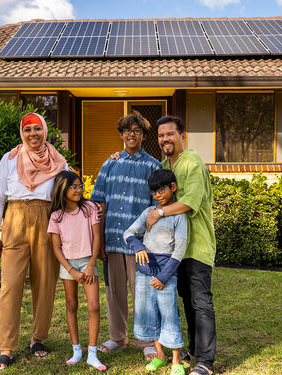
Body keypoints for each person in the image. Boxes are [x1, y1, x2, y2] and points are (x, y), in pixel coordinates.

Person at [0, 112, 68, 370]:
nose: (33, 134)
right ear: (21, 134)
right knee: (10, 285)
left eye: (37, 129)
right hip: (14, 219)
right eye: (27, 130)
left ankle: (38, 338)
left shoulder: (59, 162)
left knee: (45, 282)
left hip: (47, 220)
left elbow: (69, 195)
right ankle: (6, 348)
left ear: (45, 131)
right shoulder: (9, 159)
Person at [146, 115, 217, 375]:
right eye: (161, 135)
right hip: (173, 250)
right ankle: (195, 351)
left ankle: (206, 363)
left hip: (196, 246)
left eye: (170, 134)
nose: (165, 139)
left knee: (200, 303)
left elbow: (190, 202)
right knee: (186, 302)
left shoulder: (193, 162)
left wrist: (159, 213)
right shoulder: (164, 165)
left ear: (182, 136)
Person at [90, 112, 161, 359]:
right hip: (111, 241)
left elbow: (157, 206)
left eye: (137, 131)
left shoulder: (153, 166)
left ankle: (148, 341)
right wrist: (98, 242)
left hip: (140, 244)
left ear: (143, 136)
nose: (132, 134)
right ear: (121, 135)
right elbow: (97, 205)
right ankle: (118, 337)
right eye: (127, 131)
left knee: (142, 293)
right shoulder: (110, 164)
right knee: (115, 292)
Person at [123, 169, 187, 375]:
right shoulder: (148, 212)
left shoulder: (179, 216)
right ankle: (160, 355)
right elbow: (129, 233)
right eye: (154, 192)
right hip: (143, 274)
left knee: (169, 315)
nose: (157, 195)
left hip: (165, 276)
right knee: (150, 315)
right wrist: (138, 247)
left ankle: (176, 360)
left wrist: (163, 276)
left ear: (173, 188)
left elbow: (179, 249)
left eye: (161, 190)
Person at [47, 170, 106, 371]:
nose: (79, 189)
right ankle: (76, 349)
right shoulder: (56, 215)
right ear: (62, 189)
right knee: (71, 305)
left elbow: (96, 237)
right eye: (74, 186)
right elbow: (56, 248)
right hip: (69, 266)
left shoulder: (89, 208)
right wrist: (71, 270)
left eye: (80, 186)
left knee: (94, 306)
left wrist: (90, 265)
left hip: (88, 263)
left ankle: (92, 353)